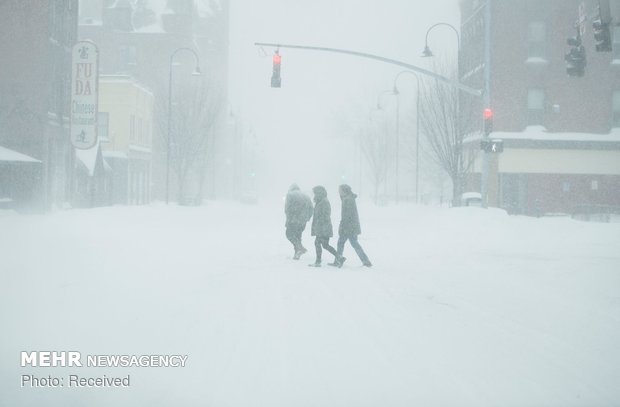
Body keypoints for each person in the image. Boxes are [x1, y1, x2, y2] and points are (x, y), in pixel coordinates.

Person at [331, 184, 372, 268]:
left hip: (348, 227)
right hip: (351, 227)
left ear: (344, 191)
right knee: (354, 243)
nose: (338, 192)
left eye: (340, 190)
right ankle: (366, 261)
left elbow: (347, 216)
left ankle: (338, 261)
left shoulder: (347, 200)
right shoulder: (349, 198)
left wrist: (342, 227)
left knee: (342, 243)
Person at [308, 185, 342, 267]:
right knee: (325, 245)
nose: (314, 194)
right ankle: (339, 257)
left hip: (323, 228)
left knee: (318, 243)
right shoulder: (320, 201)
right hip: (322, 228)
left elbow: (326, 216)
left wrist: (320, 224)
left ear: (319, 192)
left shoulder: (324, 202)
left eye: (315, 192)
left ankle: (318, 261)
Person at [284, 184, 313, 260]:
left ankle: (300, 248)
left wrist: (289, 218)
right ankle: (297, 254)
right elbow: (311, 208)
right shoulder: (306, 196)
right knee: (298, 236)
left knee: (289, 234)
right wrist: (307, 218)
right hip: (302, 221)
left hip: (293, 220)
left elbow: (287, 208)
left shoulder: (290, 195)